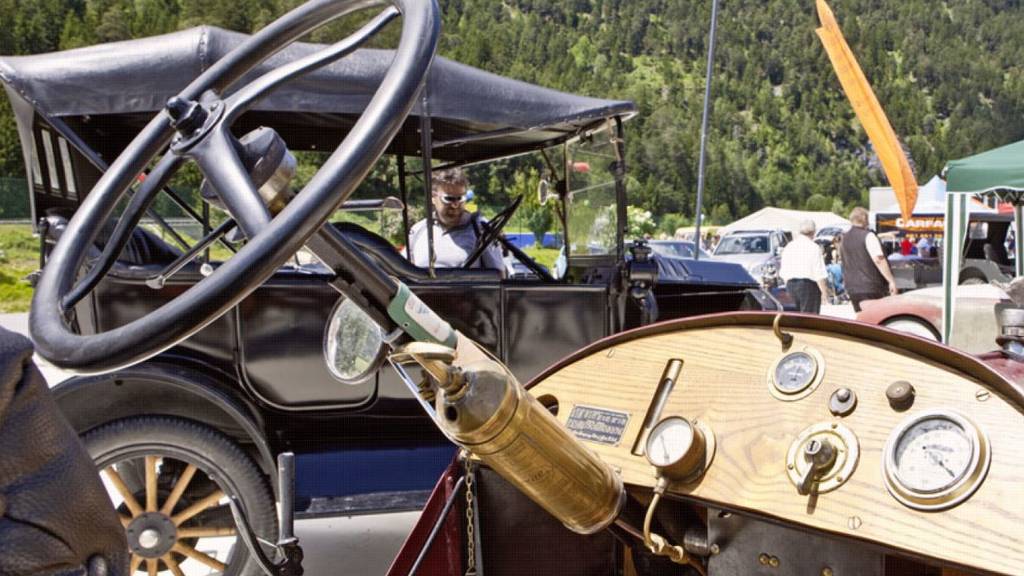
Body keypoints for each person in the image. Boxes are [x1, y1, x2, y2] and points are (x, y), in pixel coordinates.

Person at [409, 167, 505, 273]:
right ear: (433, 197)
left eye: (460, 198)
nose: (455, 205)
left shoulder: (481, 229)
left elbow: (499, 275)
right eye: (449, 199)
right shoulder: (418, 231)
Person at [841, 207, 898, 312]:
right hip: (870, 286)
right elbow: (879, 260)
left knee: (862, 317)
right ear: (864, 218)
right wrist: (891, 281)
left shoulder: (844, 238)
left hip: (852, 287)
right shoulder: (868, 236)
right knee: (876, 318)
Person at [779, 219, 828, 314]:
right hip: (808, 286)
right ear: (813, 232)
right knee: (809, 318)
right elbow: (819, 272)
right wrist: (824, 293)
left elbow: (783, 272)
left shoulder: (789, 246)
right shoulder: (814, 247)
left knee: (793, 317)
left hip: (791, 284)